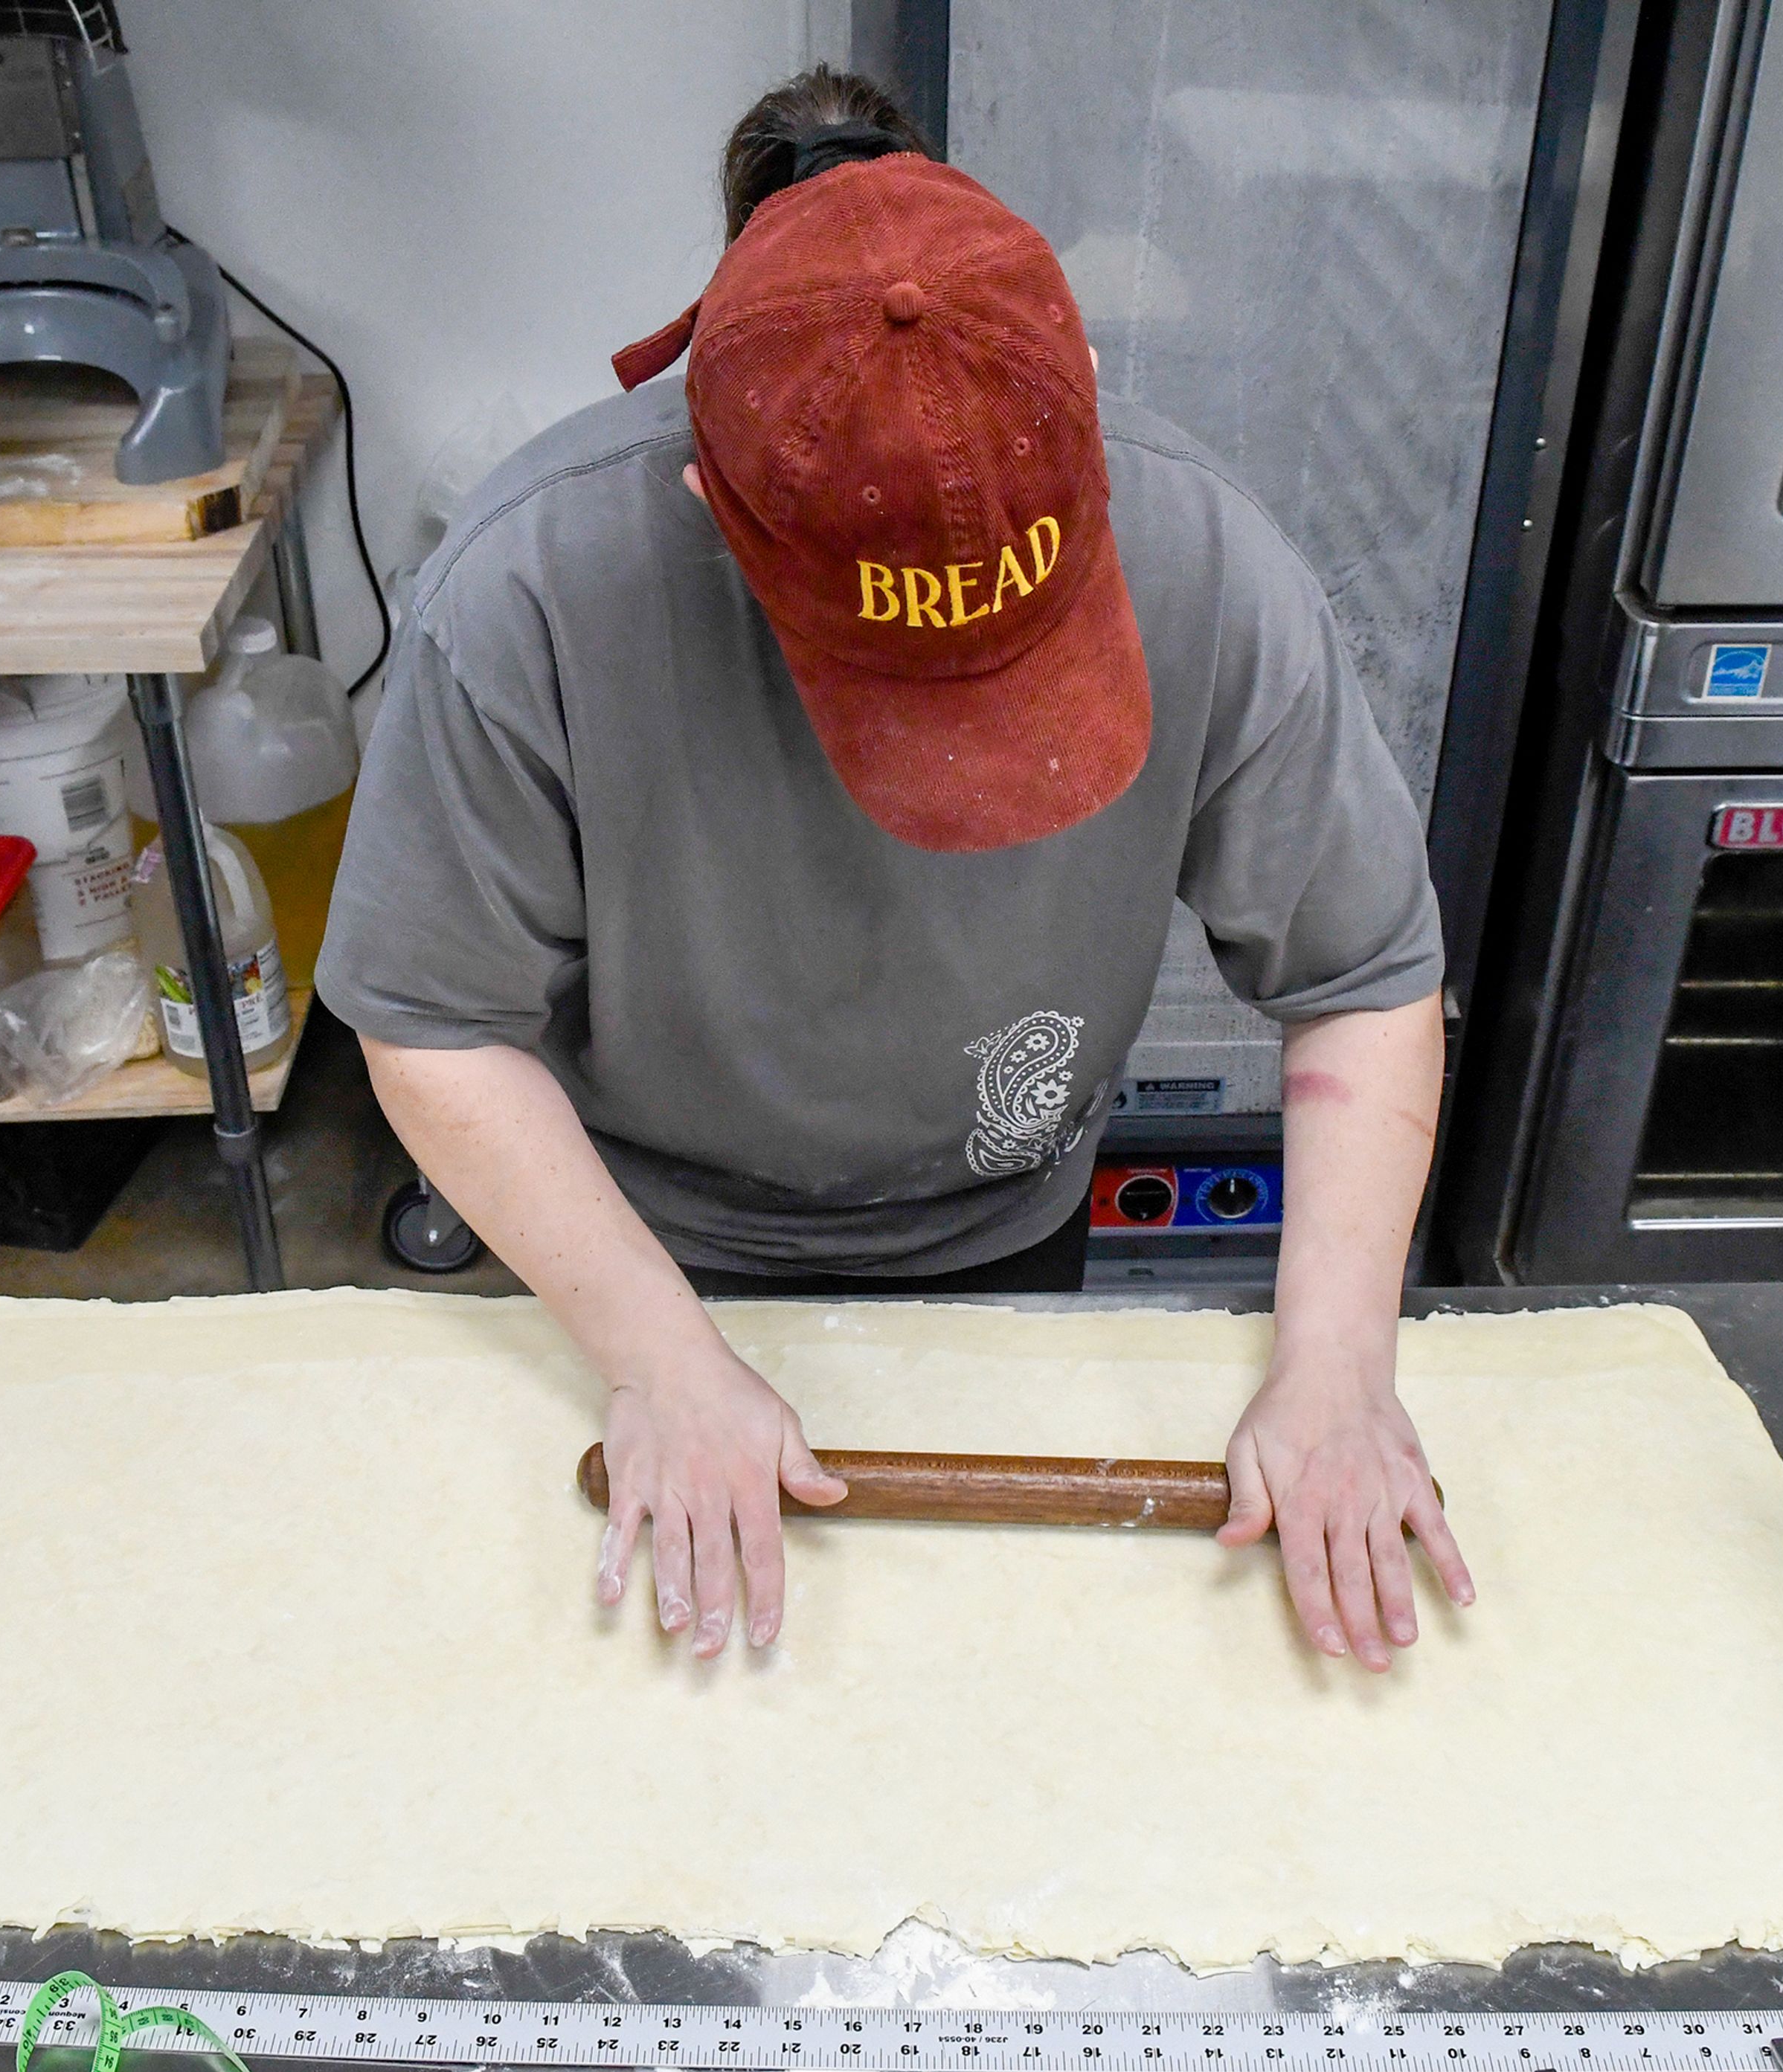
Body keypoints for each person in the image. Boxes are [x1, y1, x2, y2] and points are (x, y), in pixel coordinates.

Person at [316, 67, 1471, 1673]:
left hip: (1001, 1212)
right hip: (641, 1232)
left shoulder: (1211, 557)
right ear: (715, 498)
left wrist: (1340, 1365)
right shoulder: (531, 590)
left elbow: (1358, 978)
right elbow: (431, 1017)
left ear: (1078, 405)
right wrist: (660, 1358)